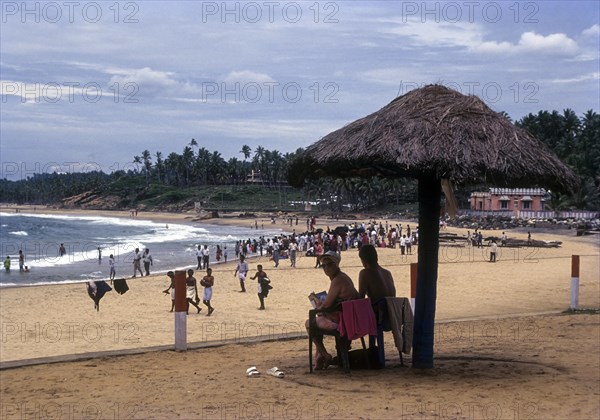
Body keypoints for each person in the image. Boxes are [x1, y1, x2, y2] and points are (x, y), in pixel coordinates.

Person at [305, 251, 359, 370]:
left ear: (336, 264)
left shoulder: (338, 280)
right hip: (348, 319)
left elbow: (326, 306)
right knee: (317, 320)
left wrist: (318, 304)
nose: (326, 268)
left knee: (309, 324)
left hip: (340, 323)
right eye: (323, 266)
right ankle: (319, 358)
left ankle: (325, 355)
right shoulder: (344, 277)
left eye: (329, 265)